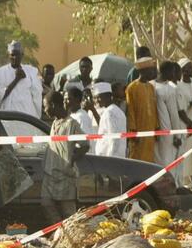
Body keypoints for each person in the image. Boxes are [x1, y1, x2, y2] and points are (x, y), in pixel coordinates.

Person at [41, 90, 88, 224]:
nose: (45, 110)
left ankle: (73, 240)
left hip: (65, 175)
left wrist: (71, 159)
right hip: (50, 174)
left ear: (54, 105)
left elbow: (85, 144)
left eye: (46, 106)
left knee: (69, 214)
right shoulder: (55, 123)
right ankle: (59, 234)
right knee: (46, 204)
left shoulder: (71, 124)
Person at [0, 41, 42, 117]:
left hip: (27, 115)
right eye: (12, 55)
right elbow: (0, 96)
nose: (14, 57)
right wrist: (17, 79)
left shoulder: (31, 71)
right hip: (9, 116)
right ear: (9, 55)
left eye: (17, 55)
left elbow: (37, 95)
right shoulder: (0, 73)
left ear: (22, 55)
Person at [126, 57, 159, 162]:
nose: (153, 72)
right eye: (151, 70)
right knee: (136, 160)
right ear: (143, 71)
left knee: (149, 160)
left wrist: (157, 127)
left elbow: (154, 109)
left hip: (150, 130)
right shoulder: (132, 88)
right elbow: (130, 110)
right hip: (138, 131)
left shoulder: (151, 87)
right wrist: (133, 131)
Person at [153, 60, 183, 170]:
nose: (174, 75)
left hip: (157, 131)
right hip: (163, 131)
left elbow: (173, 114)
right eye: (173, 72)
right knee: (165, 163)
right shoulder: (168, 89)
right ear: (167, 71)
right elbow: (174, 115)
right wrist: (178, 136)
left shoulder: (151, 85)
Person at [93, 82, 127, 159]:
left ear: (108, 96)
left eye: (99, 97)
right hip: (116, 157)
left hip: (110, 158)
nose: (96, 100)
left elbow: (114, 139)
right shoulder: (116, 110)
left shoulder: (109, 113)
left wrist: (110, 158)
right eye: (95, 98)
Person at [67, 86, 97, 154]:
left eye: (69, 99)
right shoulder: (72, 115)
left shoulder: (82, 117)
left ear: (77, 99)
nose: (66, 102)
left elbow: (85, 143)